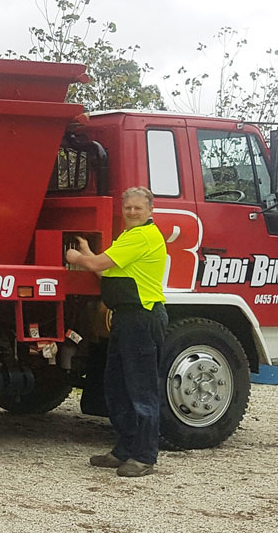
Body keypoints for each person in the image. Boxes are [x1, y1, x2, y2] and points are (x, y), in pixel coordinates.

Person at [64, 186, 169, 477]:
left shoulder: (143, 236)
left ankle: (145, 456)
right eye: (128, 208)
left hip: (143, 318)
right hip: (124, 319)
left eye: (138, 208)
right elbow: (105, 271)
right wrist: (88, 253)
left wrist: (77, 257)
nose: (132, 212)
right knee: (117, 387)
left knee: (141, 390)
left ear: (150, 211)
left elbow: (97, 265)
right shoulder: (127, 237)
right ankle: (124, 450)